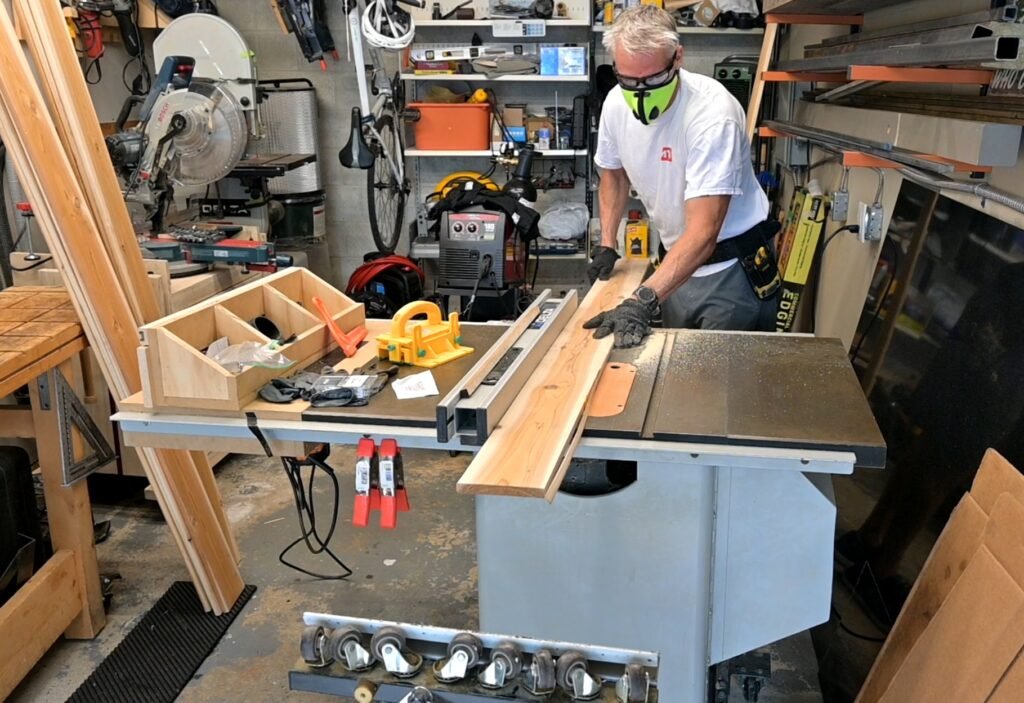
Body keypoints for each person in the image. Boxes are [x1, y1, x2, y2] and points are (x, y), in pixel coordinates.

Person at [583, 5, 778, 348]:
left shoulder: (712, 116)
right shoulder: (615, 103)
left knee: (721, 391)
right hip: (676, 263)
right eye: (629, 80)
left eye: (654, 79)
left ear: (677, 59)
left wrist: (642, 301)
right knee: (675, 372)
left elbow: (704, 230)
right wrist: (607, 243)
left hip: (729, 271)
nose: (640, 92)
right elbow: (612, 174)